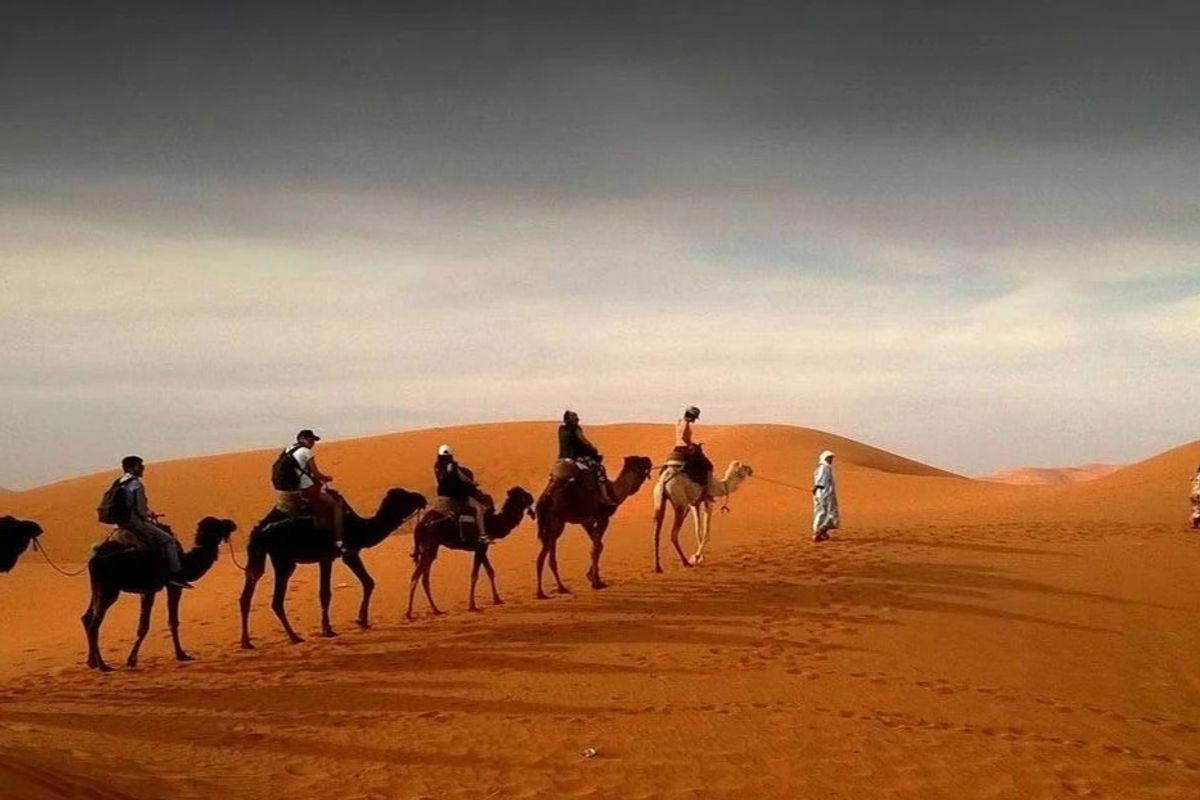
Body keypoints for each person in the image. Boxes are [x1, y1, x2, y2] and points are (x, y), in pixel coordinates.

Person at [117, 456, 193, 588]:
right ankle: (175, 576)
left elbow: (129, 505)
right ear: (130, 468)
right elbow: (140, 509)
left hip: (121, 523)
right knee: (169, 540)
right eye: (139, 466)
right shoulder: (136, 484)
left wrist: (149, 513)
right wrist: (147, 516)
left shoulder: (120, 482)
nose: (142, 468)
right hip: (136, 523)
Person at [290, 429, 346, 552]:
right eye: (310, 440)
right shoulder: (306, 452)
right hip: (306, 488)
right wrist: (327, 478)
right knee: (336, 505)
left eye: (313, 440)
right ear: (301, 439)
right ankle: (339, 541)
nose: (312, 443)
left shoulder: (289, 450)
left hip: (291, 489)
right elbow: (316, 473)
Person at [434, 444, 489, 544]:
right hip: (455, 494)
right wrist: (472, 483)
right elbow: (462, 477)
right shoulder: (451, 465)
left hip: (441, 495)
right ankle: (482, 535)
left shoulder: (437, 467)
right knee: (479, 508)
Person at [558, 410, 614, 504]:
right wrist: (593, 449)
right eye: (575, 417)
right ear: (570, 419)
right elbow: (584, 441)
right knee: (600, 469)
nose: (578, 419)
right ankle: (604, 496)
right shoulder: (576, 429)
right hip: (574, 459)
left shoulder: (561, 429)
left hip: (562, 459)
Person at [672, 405, 714, 487]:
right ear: (690, 416)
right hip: (685, 449)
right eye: (694, 417)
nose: (694, 420)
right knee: (708, 465)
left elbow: (681, 437)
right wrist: (691, 445)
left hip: (677, 448)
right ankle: (707, 488)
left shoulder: (679, 421)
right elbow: (684, 437)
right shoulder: (686, 424)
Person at [812, 450, 839, 542]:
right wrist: (816, 487)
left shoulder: (826, 467)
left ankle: (822, 532)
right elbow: (820, 481)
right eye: (829, 458)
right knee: (822, 513)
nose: (831, 460)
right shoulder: (823, 468)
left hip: (826, 494)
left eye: (831, 458)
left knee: (829, 513)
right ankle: (817, 533)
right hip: (823, 494)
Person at [1191, 464, 1200, 530]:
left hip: (1194, 494)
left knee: (1196, 509)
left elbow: (1193, 483)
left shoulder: (1197, 477)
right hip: (1198, 494)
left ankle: (1194, 523)